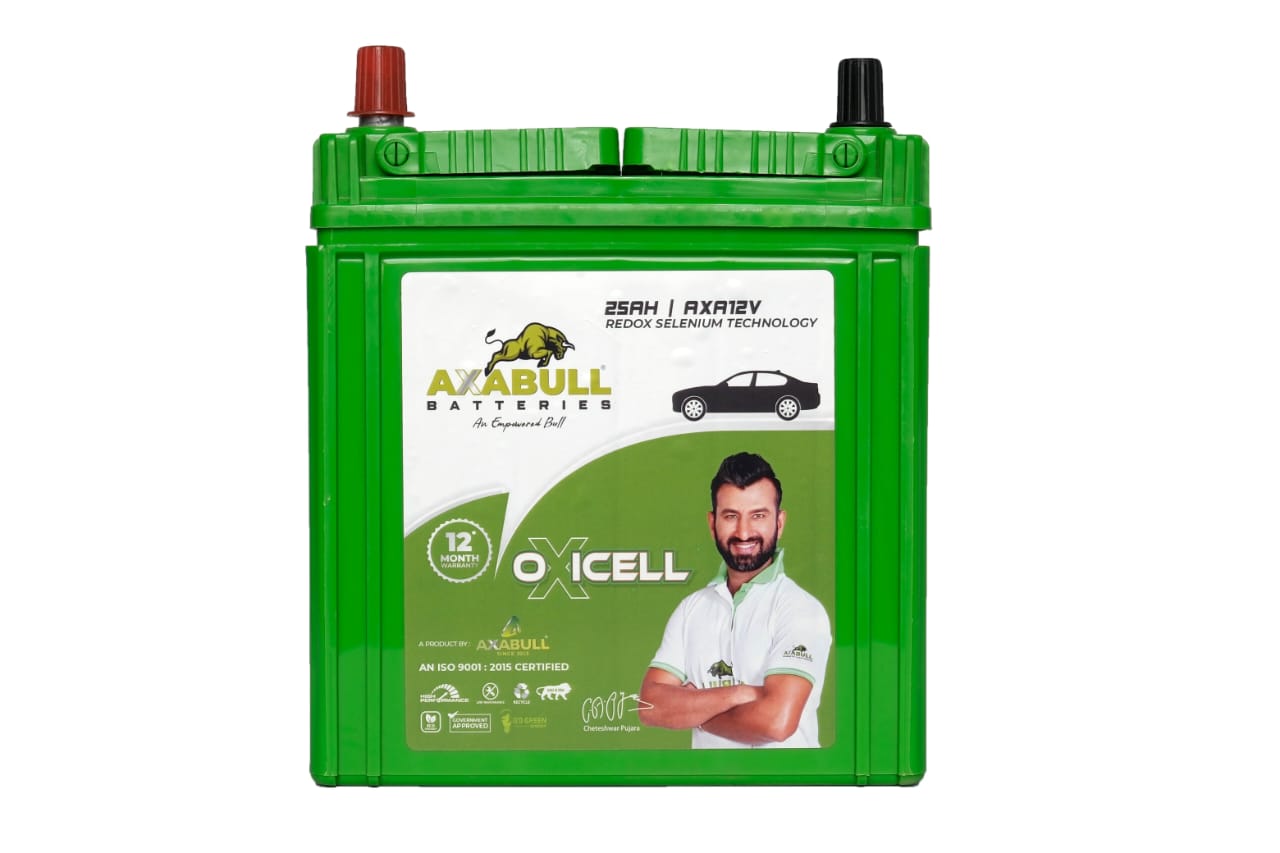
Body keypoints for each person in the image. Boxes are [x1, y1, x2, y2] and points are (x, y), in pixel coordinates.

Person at [638, 452, 832, 748]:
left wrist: (694, 712)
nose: (743, 532)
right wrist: (739, 693)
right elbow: (649, 706)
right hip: (706, 779)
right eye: (731, 516)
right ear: (712, 523)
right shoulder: (691, 609)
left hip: (786, 780)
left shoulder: (800, 609)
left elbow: (776, 723)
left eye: (758, 515)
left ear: (779, 523)